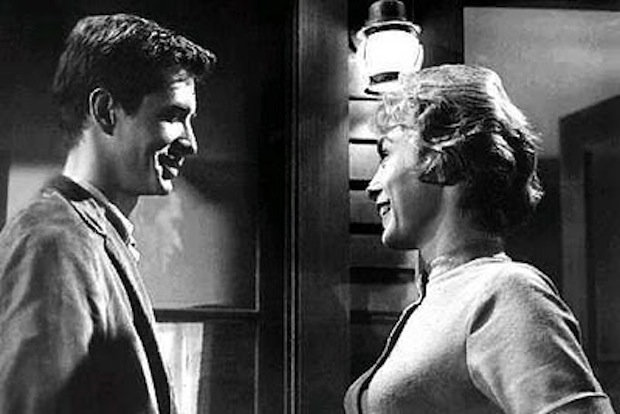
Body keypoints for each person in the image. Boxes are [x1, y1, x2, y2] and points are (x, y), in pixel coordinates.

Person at [344, 64, 614, 413]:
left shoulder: (504, 291)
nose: (372, 185)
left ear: (444, 157)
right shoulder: (441, 298)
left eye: (386, 155)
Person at [0, 14, 215, 413]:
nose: (191, 142)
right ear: (105, 111)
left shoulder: (92, 238)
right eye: (172, 115)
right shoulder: (53, 243)